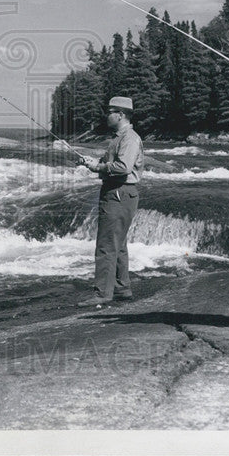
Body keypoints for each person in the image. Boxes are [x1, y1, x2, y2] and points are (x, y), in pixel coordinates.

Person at [77, 96, 144, 308]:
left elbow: (123, 167)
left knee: (106, 244)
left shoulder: (129, 139)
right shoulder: (119, 138)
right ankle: (122, 288)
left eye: (110, 111)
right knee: (119, 243)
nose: (106, 115)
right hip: (118, 193)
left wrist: (99, 168)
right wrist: (93, 163)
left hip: (118, 193)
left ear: (121, 115)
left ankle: (102, 294)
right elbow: (112, 163)